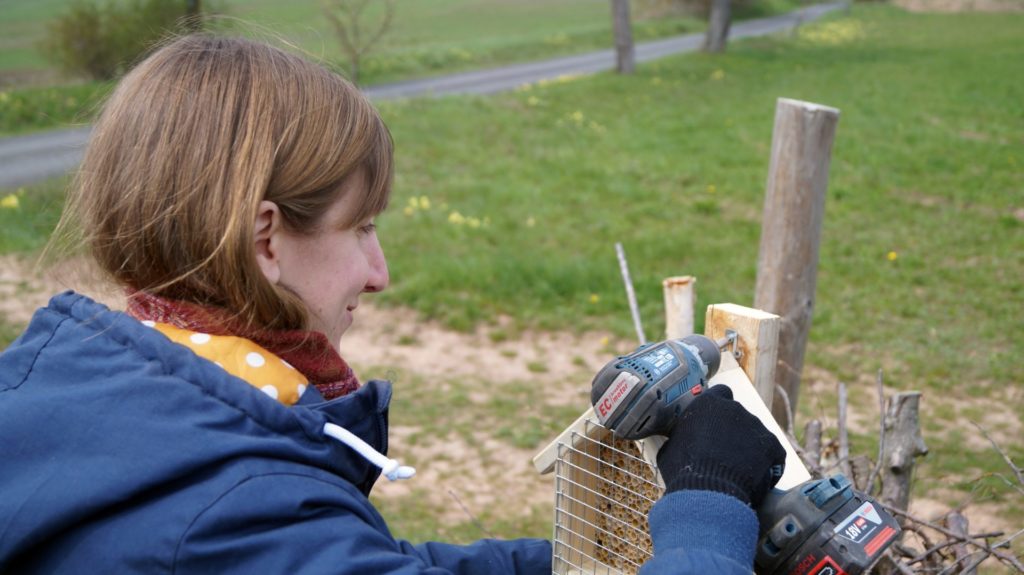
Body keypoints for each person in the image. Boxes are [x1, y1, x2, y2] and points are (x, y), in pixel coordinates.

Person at [0, 34, 785, 574]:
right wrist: (706, 507)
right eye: (361, 227)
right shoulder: (238, 507)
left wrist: (583, 560)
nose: (378, 273)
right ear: (266, 239)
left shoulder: (88, 398)